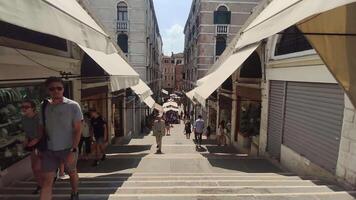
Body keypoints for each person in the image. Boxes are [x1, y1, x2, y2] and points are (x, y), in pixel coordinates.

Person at [39, 77, 83, 200]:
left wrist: (73, 150)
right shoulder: (44, 106)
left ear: (63, 89)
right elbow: (41, 127)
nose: (56, 91)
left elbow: (78, 129)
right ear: (48, 90)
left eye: (59, 88)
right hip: (49, 150)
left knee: (72, 173)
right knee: (47, 182)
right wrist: (39, 147)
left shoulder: (73, 106)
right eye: (52, 89)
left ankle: (75, 192)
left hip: (68, 148)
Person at [21, 99, 42, 194]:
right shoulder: (24, 118)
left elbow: (43, 132)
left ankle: (44, 184)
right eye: (23, 107)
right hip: (33, 143)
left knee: (39, 167)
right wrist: (26, 141)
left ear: (33, 108)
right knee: (34, 167)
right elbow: (27, 133)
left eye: (27, 107)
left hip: (42, 143)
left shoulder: (39, 118)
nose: (24, 109)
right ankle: (40, 185)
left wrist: (36, 139)